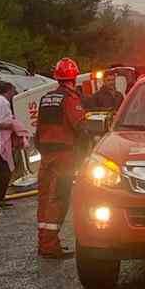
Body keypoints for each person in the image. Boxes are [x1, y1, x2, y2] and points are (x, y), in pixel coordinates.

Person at [34, 57, 90, 258]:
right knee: (59, 197)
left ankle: (44, 242)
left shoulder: (46, 98)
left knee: (44, 197)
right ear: (74, 77)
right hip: (64, 155)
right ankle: (50, 246)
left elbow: (38, 131)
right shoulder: (70, 98)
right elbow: (81, 127)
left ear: (56, 77)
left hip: (46, 154)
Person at [0, 84, 31, 210]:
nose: (15, 93)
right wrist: (14, 126)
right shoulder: (2, 104)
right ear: (9, 91)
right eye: (14, 90)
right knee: (3, 170)